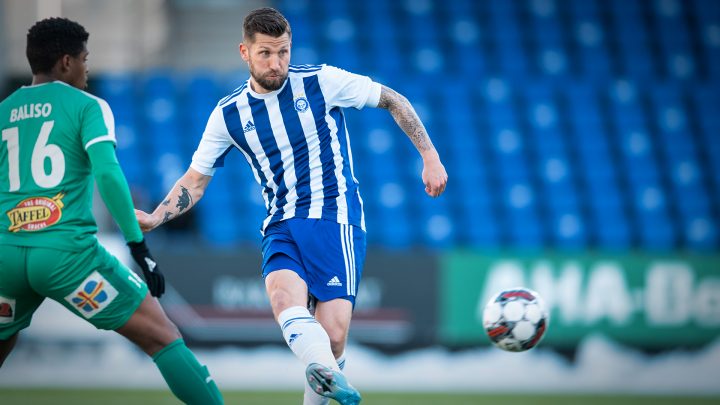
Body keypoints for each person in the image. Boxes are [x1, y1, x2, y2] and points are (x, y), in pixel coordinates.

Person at [135, 7, 447, 405]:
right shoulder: (228, 114)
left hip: (336, 219)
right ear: (244, 52)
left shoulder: (321, 81)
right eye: (265, 53)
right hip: (281, 223)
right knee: (284, 299)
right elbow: (194, 181)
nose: (276, 62)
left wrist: (430, 155)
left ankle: (324, 374)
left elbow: (392, 99)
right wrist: (157, 216)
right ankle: (326, 373)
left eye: (283, 52)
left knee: (331, 339)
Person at [0, 17, 224, 405]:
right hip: (66, 257)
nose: (88, 69)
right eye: (85, 59)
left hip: (6, 257)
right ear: (67, 62)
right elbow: (107, 172)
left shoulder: (4, 110)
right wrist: (139, 248)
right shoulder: (88, 106)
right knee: (163, 336)